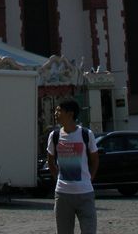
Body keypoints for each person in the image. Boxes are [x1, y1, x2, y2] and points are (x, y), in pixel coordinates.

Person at [46, 98, 98, 234]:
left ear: (70, 114)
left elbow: (95, 160)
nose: (55, 113)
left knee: (89, 230)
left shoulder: (86, 134)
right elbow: (50, 161)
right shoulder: (54, 135)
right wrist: (58, 179)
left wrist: (89, 178)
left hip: (85, 194)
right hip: (63, 195)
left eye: (59, 110)